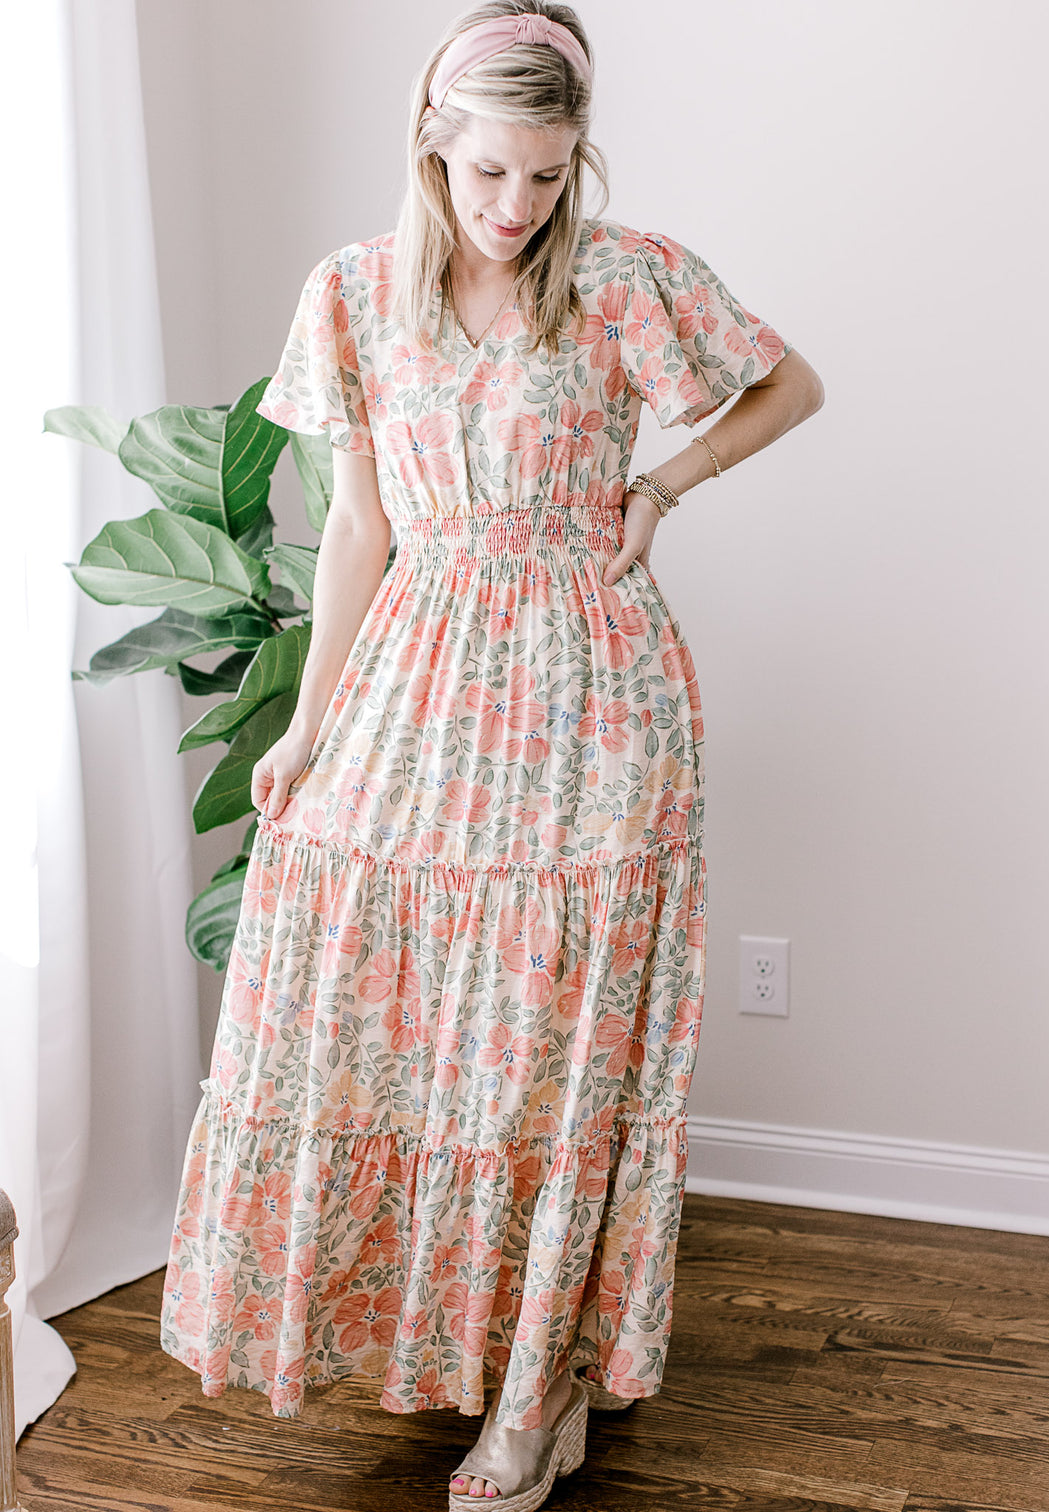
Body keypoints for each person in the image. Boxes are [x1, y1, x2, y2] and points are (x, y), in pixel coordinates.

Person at [159, 2, 823, 1506]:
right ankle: (431, 1342)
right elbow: (355, 529)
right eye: (489, 178)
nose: (518, 209)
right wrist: (309, 731)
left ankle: (540, 1394)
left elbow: (791, 381)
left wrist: (665, 483)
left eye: (549, 175)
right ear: (431, 151)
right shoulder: (350, 299)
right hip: (419, 671)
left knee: (548, 1052)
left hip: (596, 693)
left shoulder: (629, 280)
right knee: (398, 1011)